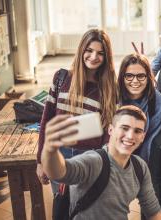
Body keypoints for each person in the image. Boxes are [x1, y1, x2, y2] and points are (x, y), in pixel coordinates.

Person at [41, 105, 161, 220]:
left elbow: (153, 210)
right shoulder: (93, 161)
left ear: (143, 137)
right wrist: (50, 149)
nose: (130, 136)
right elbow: (60, 172)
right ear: (111, 130)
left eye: (137, 131)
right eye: (124, 128)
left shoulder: (140, 167)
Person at [36, 29, 118, 192]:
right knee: (61, 208)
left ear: (106, 57)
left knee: (85, 211)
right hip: (59, 154)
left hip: (89, 157)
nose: (94, 57)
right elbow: (47, 120)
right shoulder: (61, 78)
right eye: (89, 50)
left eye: (100, 53)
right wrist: (41, 160)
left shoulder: (109, 88)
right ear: (81, 50)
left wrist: (104, 163)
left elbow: (108, 132)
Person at [118, 53, 161, 162]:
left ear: (148, 78)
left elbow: (151, 140)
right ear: (122, 77)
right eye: (129, 76)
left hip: (143, 157)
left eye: (140, 76)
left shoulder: (158, 101)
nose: (135, 81)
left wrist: (138, 166)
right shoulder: (114, 96)